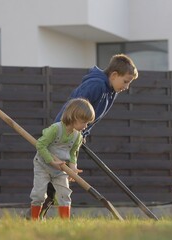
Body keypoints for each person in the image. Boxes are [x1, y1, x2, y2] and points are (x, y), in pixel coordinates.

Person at [41, 54, 138, 217]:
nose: (127, 86)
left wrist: (83, 134)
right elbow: (72, 109)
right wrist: (63, 134)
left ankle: (38, 213)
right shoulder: (96, 85)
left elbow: (90, 117)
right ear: (114, 75)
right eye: (126, 81)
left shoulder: (111, 91)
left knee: (60, 177)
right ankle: (35, 213)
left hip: (74, 137)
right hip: (62, 135)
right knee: (56, 176)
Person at [30, 98, 95, 220]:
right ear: (74, 117)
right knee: (38, 195)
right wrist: (51, 161)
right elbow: (40, 145)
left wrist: (73, 168)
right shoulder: (55, 129)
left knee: (65, 195)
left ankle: (65, 223)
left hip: (60, 169)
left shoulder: (78, 136)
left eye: (87, 123)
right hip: (43, 165)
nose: (86, 126)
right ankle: (34, 220)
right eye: (84, 122)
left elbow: (72, 153)